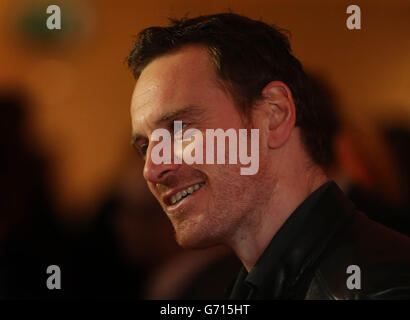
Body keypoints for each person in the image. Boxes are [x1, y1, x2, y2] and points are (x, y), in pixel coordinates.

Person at [126, 13, 410, 299]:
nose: (151, 169)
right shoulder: (254, 287)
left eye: (180, 128)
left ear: (274, 115)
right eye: (145, 146)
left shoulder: (384, 289)